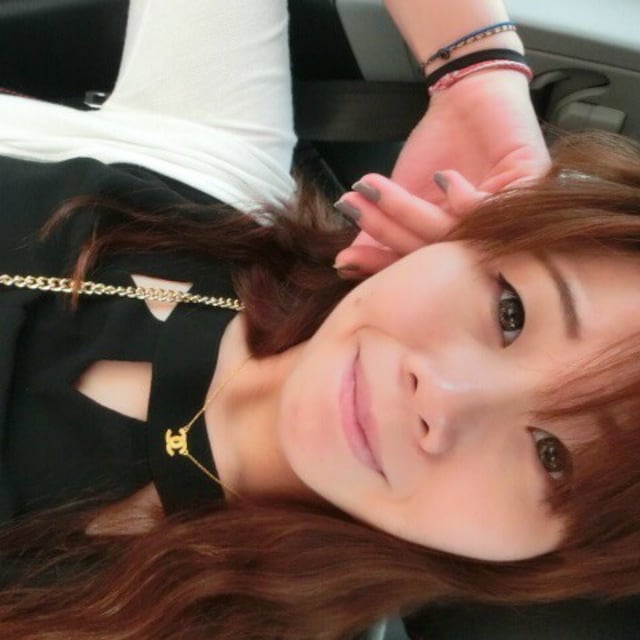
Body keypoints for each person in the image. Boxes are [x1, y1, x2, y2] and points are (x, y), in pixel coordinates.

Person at [0, 2, 638, 640]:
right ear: (475, 236)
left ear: (548, 562)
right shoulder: (214, 165)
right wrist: (479, 76)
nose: (444, 397)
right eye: (511, 312)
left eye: (553, 457)